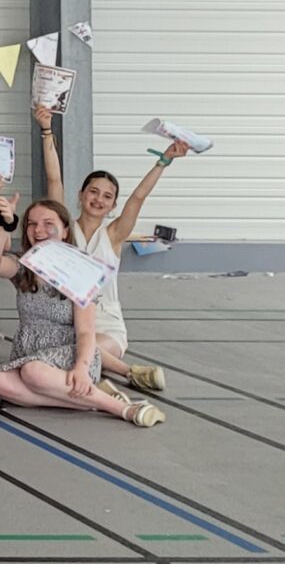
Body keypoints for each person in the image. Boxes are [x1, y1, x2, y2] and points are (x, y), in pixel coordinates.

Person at [0, 194, 166, 427]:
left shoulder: (80, 273)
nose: (38, 230)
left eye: (48, 224)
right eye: (32, 224)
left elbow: (86, 332)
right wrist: (3, 224)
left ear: (65, 231)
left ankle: (125, 409)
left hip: (69, 353)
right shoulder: (24, 268)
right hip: (29, 350)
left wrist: (81, 367)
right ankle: (90, 400)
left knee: (32, 372)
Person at [41, 104, 179, 395]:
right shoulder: (64, 229)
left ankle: (107, 381)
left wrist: (164, 161)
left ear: (113, 205)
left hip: (106, 322)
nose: (98, 199)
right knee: (68, 353)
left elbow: (138, 197)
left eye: (107, 196)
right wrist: (46, 130)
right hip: (68, 321)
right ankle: (119, 379)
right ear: (81, 194)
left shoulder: (114, 234)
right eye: (93, 191)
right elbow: (54, 180)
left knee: (82, 353)